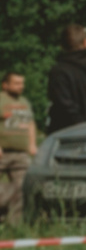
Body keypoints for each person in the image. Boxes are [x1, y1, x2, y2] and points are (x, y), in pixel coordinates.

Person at [47, 24, 86, 134]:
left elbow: (64, 106)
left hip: (68, 134)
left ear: (62, 46)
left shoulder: (59, 72)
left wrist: (82, 128)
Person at [1, 70, 36, 224]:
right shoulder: (1, 100)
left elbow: (30, 123)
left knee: (23, 187)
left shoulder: (24, 102)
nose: (20, 86)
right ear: (5, 85)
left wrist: (32, 144)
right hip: (3, 152)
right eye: (16, 83)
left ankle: (15, 225)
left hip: (21, 153)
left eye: (22, 83)